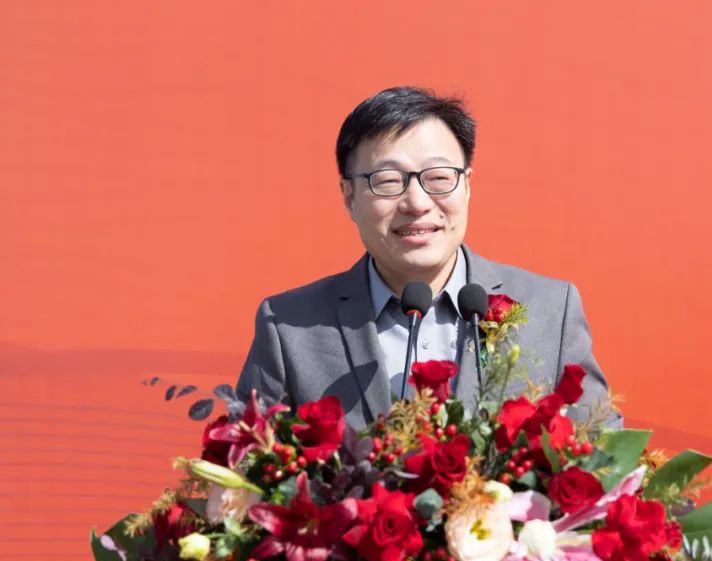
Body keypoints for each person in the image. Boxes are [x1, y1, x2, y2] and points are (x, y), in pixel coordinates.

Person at [236, 86, 620, 430]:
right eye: (388, 181)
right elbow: (249, 468)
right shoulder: (289, 327)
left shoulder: (550, 310)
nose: (417, 203)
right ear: (349, 196)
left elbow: (602, 459)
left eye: (438, 178)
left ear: (467, 185)